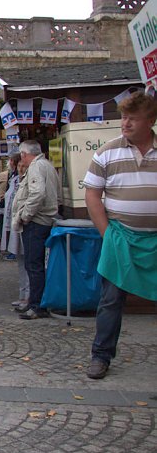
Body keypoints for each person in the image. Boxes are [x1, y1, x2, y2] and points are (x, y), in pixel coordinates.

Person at [84, 92, 157, 380]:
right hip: (120, 238)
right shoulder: (106, 152)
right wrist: (107, 233)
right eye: (123, 117)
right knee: (111, 299)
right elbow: (92, 194)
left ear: (150, 121)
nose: (125, 123)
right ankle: (101, 356)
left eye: (132, 118)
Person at [11, 140, 61, 320]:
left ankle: (37, 306)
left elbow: (37, 193)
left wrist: (25, 215)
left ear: (24, 154)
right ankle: (35, 302)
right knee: (36, 264)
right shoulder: (47, 165)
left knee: (34, 265)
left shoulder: (36, 167)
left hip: (37, 222)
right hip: (44, 220)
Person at [0, 155, 30, 310]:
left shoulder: (27, 182)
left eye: (23, 166)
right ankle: (22, 294)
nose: (20, 169)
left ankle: (28, 296)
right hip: (13, 225)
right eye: (19, 166)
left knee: (28, 263)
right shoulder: (14, 180)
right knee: (20, 262)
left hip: (23, 224)